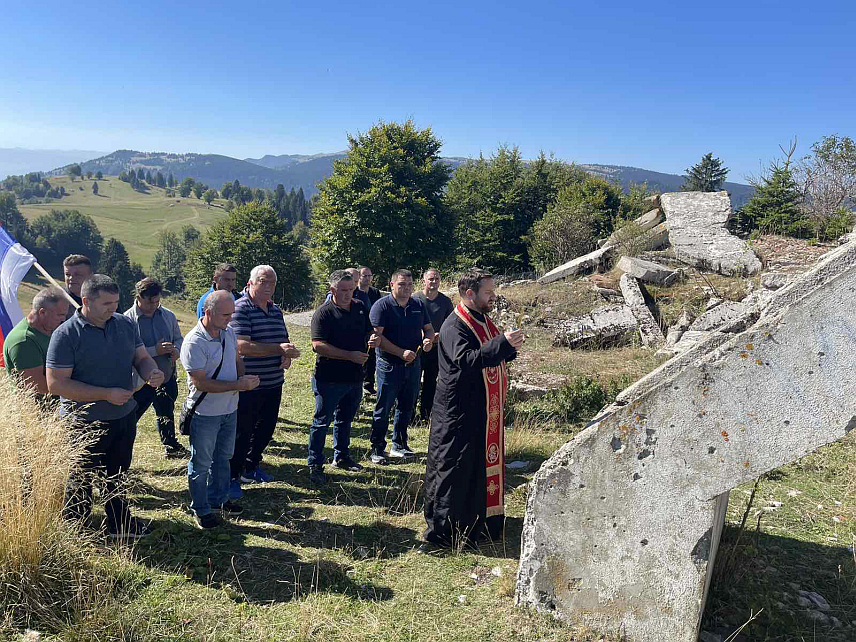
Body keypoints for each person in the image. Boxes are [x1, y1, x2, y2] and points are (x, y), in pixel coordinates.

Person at [46, 274, 164, 539]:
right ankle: (76, 532)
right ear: (86, 301)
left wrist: (151, 371)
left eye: (116, 302)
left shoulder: (124, 324)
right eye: (107, 304)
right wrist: (105, 394)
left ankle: (119, 524)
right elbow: (56, 384)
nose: (114, 308)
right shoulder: (65, 334)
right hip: (83, 423)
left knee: (119, 473)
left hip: (123, 417)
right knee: (80, 479)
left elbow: (141, 357)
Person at [422, 269, 524, 550]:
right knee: (454, 469)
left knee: (477, 468)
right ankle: (446, 531)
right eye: (488, 292)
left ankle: (477, 524)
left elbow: (489, 353)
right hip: (457, 412)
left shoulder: (482, 320)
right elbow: (465, 360)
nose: (493, 297)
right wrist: (501, 344)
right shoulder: (455, 325)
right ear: (470, 294)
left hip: (481, 411)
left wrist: (508, 347)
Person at [181, 290, 260, 529]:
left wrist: (242, 374)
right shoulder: (194, 341)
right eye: (225, 314)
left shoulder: (229, 331)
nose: (230, 318)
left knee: (223, 458)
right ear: (208, 312)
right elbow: (201, 382)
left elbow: (235, 356)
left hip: (229, 409)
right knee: (202, 462)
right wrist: (238, 384)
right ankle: (201, 508)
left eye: (231, 313)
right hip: (205, 413)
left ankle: (218, 499)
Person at [229, 265, 300, 497]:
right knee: (243, 430)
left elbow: (283, 339)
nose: (268, 287)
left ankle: (251, 466)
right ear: (250, 283)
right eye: (263, 281)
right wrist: (277, 349)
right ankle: (233, 474)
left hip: (273, 381)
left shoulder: (276, 310)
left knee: (266, 428)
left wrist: (285, 355)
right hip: (249, 382)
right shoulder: (240, 308)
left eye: (272, 283)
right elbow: (242, 345)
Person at [307, 270, 381, 484]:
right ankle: (315, 463)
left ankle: (342, 456)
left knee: (345, 419)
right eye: (343, 290)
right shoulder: (324, 313)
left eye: (351, 290)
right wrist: (349, 355)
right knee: (322, 421)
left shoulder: (359, 307)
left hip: (355, 376)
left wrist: (373, 338)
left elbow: (369, 331)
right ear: (332, 290)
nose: (348, 294)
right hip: (329, 377)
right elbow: (317, 345)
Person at [368, 269, 435, 464]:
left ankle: (399, 444)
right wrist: (399, 352)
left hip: (413, 364)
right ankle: (377, 448)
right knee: (384, 407)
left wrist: (428, 341)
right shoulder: (382, 306)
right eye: (401, 284)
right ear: (391, 285)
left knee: (407, 406)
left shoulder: (417, 305)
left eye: (409, 285)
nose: (406, 289)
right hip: (389, 364)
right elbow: (377, 337)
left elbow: (428, 329)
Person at [125, 277, 188, 458]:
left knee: (166, 411)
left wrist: (176, 350)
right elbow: (128, 352)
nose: (154, 305)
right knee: (131, 416)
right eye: (149, 301)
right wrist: (155, 350)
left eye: (157, 301)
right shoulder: (127, 320)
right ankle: (122, 447)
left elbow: (179, 338)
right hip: (139, 380)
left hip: (166, 376)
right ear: (138, 297)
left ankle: (170, 445)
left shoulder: (167, 315)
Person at [3, 287, 69, 395]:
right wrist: (80, 390)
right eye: (60, 315)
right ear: (42, 312)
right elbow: (38, 386)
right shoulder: (23, 341)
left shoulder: (51, 329)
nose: (63, 319)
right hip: (40, 409)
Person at [412, 268, 454, 422]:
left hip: (436, 349)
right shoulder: (415, 299)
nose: (434, 282)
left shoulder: (445, 301)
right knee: (413, 382)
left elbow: (451, 324)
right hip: (416, 348)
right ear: (424, 280)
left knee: (431, 382)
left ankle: (426, 415)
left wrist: (438, 336)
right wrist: (423, 336)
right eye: (431, 279)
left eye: (436, 279)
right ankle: (409, 415)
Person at [358, 266, 383, 395]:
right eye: (364, 276)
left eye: (369, 276)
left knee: (372, 357)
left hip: (373, 329)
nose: (367, 278)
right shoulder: (354, 292)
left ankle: (369, 384)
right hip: (359, 328)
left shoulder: (375, 292)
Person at [62, 254, 92, 320]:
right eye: (68, 274)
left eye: (77, 274)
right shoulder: (58, 300)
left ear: (90, 276)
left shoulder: (102, 298)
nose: (71, 278)